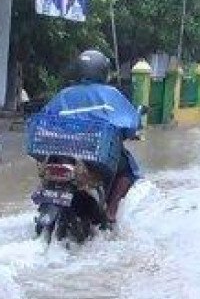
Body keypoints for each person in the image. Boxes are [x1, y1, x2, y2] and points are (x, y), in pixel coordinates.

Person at [36, 50, 143, 227]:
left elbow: (44, 118)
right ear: (103, 71)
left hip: (61, 152)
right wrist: (133, 130)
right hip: (96, 154)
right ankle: (111, 212)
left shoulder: (64, 94)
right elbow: (131, 122)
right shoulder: (111, 94)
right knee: (129, 171)